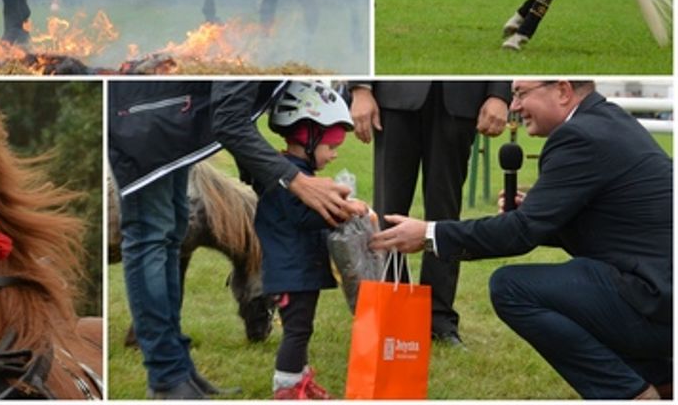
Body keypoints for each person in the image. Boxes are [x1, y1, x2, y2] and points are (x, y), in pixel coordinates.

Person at [371, 80, 672, 400]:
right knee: (581, 280)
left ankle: (631, 394)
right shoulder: (606, 121)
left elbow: (520, 234)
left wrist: (430, 234)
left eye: (521, 93)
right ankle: (663, 381)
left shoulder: (579, 136)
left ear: (562, 91)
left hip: (656, 299)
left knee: (511, 288)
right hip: (661, 292)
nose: (514, 106)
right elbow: (608, 227)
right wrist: (538, 214)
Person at [109, 81, 353, 399]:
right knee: (151, 234)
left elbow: (235, 111)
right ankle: (166, 375)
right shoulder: (256, 41)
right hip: (147, 121)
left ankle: (179, 368)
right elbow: (229, 119)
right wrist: (295, 180)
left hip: (174, 122)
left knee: (171, 233)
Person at [348, 81, 511, 346]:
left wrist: (499, 95)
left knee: (445, 213)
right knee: (387, 210)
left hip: (461, 102)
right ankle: (387, 310)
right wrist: (360, 88)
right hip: (394, 99)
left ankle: (438, 319)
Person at [255, 82, 366, 400]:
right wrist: (346, 210)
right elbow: (304, 217)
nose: (333, 154)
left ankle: (299, 381)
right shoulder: (287, 179)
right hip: (291, 274)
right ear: (308, 138)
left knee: (303, 330)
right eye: (330, 147)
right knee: (297, 331)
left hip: (299, 271)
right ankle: (286, 388)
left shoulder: (298, 174)